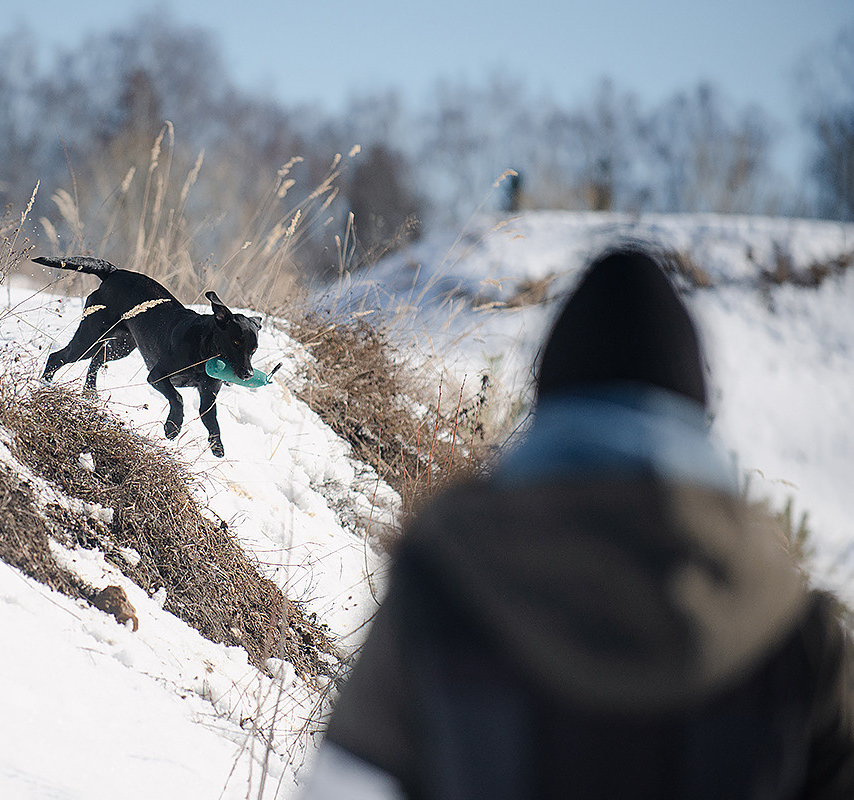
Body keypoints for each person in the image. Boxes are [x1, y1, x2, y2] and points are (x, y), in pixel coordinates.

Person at [302, 246, 854, 799]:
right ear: (697, 416)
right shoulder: (798, 635)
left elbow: (344, 789)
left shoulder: (443, 587)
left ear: (548, 405)